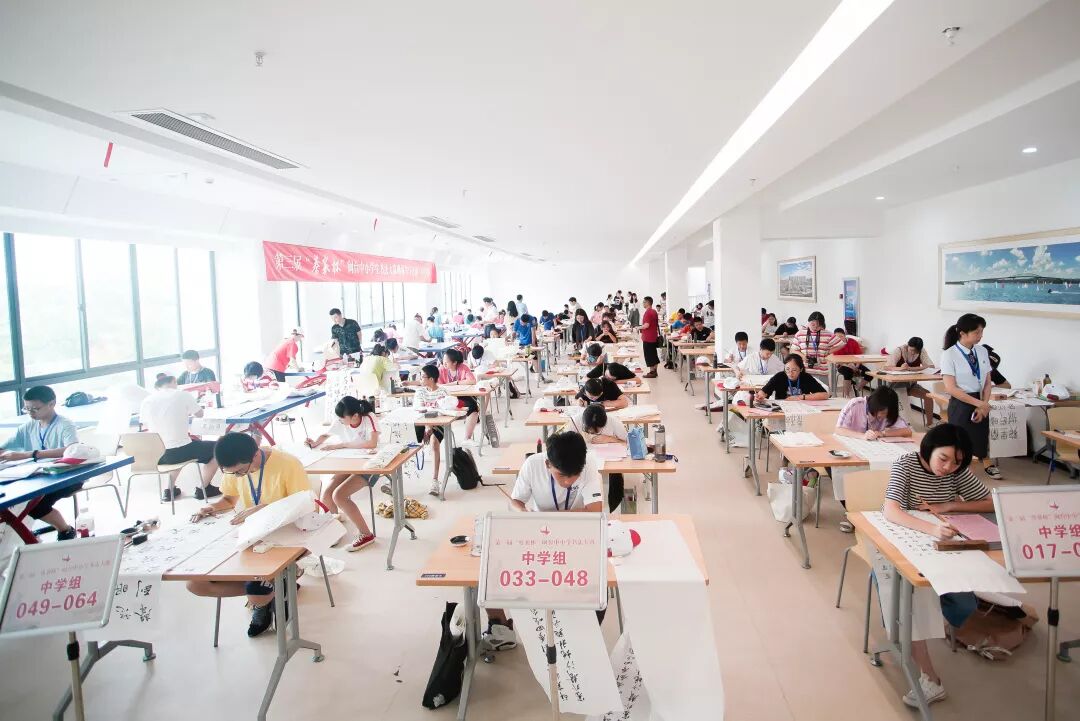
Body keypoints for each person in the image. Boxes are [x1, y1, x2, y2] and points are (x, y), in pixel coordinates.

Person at [881, 424, 990, 707]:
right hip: (905, 542)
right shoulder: (906, 464)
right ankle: (930, 678)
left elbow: (990, 502)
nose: (948, 467)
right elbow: (890, 510)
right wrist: (930, 528)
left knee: (965, 604)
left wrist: (950, 507)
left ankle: (934, 619)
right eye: (943, 459)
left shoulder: (956, 471)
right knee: (913, 603)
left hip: (943, 547)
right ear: (928, 449)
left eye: (956, 462)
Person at [484, 431, 606, 650]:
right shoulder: (532, 465)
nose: (567, 482)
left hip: (578, 537)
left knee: (596, 583)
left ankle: (581, 636)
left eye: (574, 476)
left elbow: (594, 512)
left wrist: (546, 518)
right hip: (539, 536)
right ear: (548, 464)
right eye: (561, 475)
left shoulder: (588, 465)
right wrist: (523, 514)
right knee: (489, 568)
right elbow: (515, 501)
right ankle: (500, 626)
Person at [188, 433, 313, 637]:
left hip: (285, 534)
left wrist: (264, 508)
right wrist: (211, 507)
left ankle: (264, 595)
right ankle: (276, 586)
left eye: (240, 471)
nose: (238, 476)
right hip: (252, 535)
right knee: (195, 584)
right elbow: (229, 500)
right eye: (232, 473)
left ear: (255, 455)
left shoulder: (288, 464)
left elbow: (305, 507)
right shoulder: (234, 467)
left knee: (257, 595)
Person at [0, 386, 80, 540]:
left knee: (34, 505)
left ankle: (65, 530)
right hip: (38, 476)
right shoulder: (28, 426)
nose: (31, 413)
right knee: (18, 502)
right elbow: (3, 448)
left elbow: (72, 450)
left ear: (52, 403)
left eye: (35, 408)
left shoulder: (65, 425)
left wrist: (31, 454)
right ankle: (22, 537)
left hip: (66, 475)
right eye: (27, 409)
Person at [305, 396, 379, 552]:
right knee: (327, 494)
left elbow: (372, 443)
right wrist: (315, 443)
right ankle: (335, 530)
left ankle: (366, 534)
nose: (339, 421)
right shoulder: (341, 420)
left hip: (371, 464)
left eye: (342, 418)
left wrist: (342, 445)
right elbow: (326, 434)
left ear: (355, 416)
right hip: (350, 462)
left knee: (339, 496)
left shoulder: (368, 418)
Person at [831, 386, 912, 528]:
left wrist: (883, 433)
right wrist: (862, 436)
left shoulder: (888, 413)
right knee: (843, 472)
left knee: (889, 471)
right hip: (849, 451)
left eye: (886, 414)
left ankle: (876, 510)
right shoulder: (856, 404)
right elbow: (839, 429)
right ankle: (852, 512)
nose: (882, 417)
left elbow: (907, 431)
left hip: (874, 454)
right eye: (881, 413)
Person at [141, 374, 221, 501]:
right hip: (179, 451)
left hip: (156, 454)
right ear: (173, 381)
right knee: (219, 448)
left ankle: (169, 490)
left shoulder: (147, 400)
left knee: (176, 446)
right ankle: (203, 488)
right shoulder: (182, 394)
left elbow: (145, 424)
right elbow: (200, 414)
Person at [940, 314, 1000, 479]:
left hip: (980, 399)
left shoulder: (982, 351)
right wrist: (980, 404)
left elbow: (987, 382)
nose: (980, 336)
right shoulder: (949, 354)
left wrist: (984, 404)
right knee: (959, 440)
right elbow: (951, 388)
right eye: (977, 332)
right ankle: (957, 473)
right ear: (962, 333)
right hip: (961, 401)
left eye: (982, 332)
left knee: (981, 436)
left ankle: (986, 462)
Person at [563, 404, 628, 512]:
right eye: (588, 430)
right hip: (584, 459)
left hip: (609, 459)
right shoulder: (575, 422)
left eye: (596, 431)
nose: (592, 433)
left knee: (615, 477)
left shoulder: (614, 421)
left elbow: (627, 442)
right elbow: (564, 445)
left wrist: (610, 439)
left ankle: (612, 508)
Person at [412, 364, 451, 495]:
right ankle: (395, 478)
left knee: (434, 443)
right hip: (422, 423)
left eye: (422, 377)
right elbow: (420, 410)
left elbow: (445, 411)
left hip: (439, 424)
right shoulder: (420, 392)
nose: (420, 379)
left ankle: (435, 480)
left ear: (431, 379)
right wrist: (427, 427)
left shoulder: (443, 392)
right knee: (407, 443)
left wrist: (431, 426)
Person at [885, 336, 936, 426]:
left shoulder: (921, 351)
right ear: (907, 345)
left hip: (911, 384)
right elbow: (887, 367)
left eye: (915, 351)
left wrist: (911, 368)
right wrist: (900, 368)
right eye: (911, 350)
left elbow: (931, 366)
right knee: (902, 397)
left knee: (928, 396)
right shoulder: (899, 350)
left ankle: (930, 424)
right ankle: (905, 424)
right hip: (896, 385)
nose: (913, 353)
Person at [439, 349, 481, 446]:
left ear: (454, 362)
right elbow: (437, 385)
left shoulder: (463, 367)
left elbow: (472, 381)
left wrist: (455, 383)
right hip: (447, 400)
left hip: (460, 399)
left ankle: (467, 438)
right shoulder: (441, 369)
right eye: (443, 361)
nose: (444, 364)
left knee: (472, 407)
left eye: (446, 362)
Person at [755, 354, 829, 402]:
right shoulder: (779, 377)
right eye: (787, 369)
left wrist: (801, 397)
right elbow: (764, 391)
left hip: (803, 409)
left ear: (801, 369)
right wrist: (760, 396)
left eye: (794, 370)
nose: (790, 373)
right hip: (782, 410)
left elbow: (825, 395)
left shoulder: (806, 377)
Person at [640, 295, 660, 378]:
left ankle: (652, 372)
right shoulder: (654, 311)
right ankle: (655, 371)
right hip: (653, 336)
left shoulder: (648, 312)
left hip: (648, 337)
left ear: (647, 303)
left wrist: (638, 327)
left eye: (644, 302)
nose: (643, 303)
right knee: (653, 354)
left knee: (649, 355)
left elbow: (646, 325)